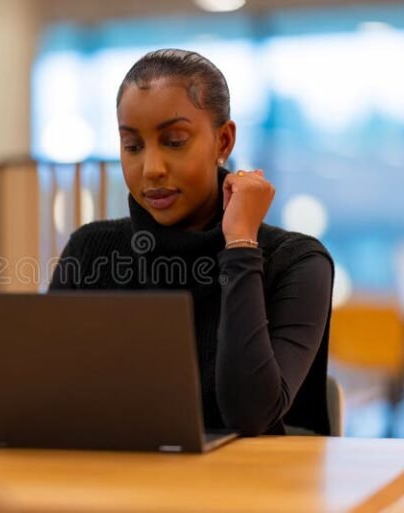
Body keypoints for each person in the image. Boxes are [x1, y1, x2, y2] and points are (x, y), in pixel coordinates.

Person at [49, 49, 335, 436]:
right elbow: (49, 401)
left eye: (174, 141)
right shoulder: (90, 250)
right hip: (121, 473)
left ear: (223, 141)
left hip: (254, 475)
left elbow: (250, 416)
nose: (151, 169)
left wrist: (241, 244)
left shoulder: (298, 263)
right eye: (132, 146)